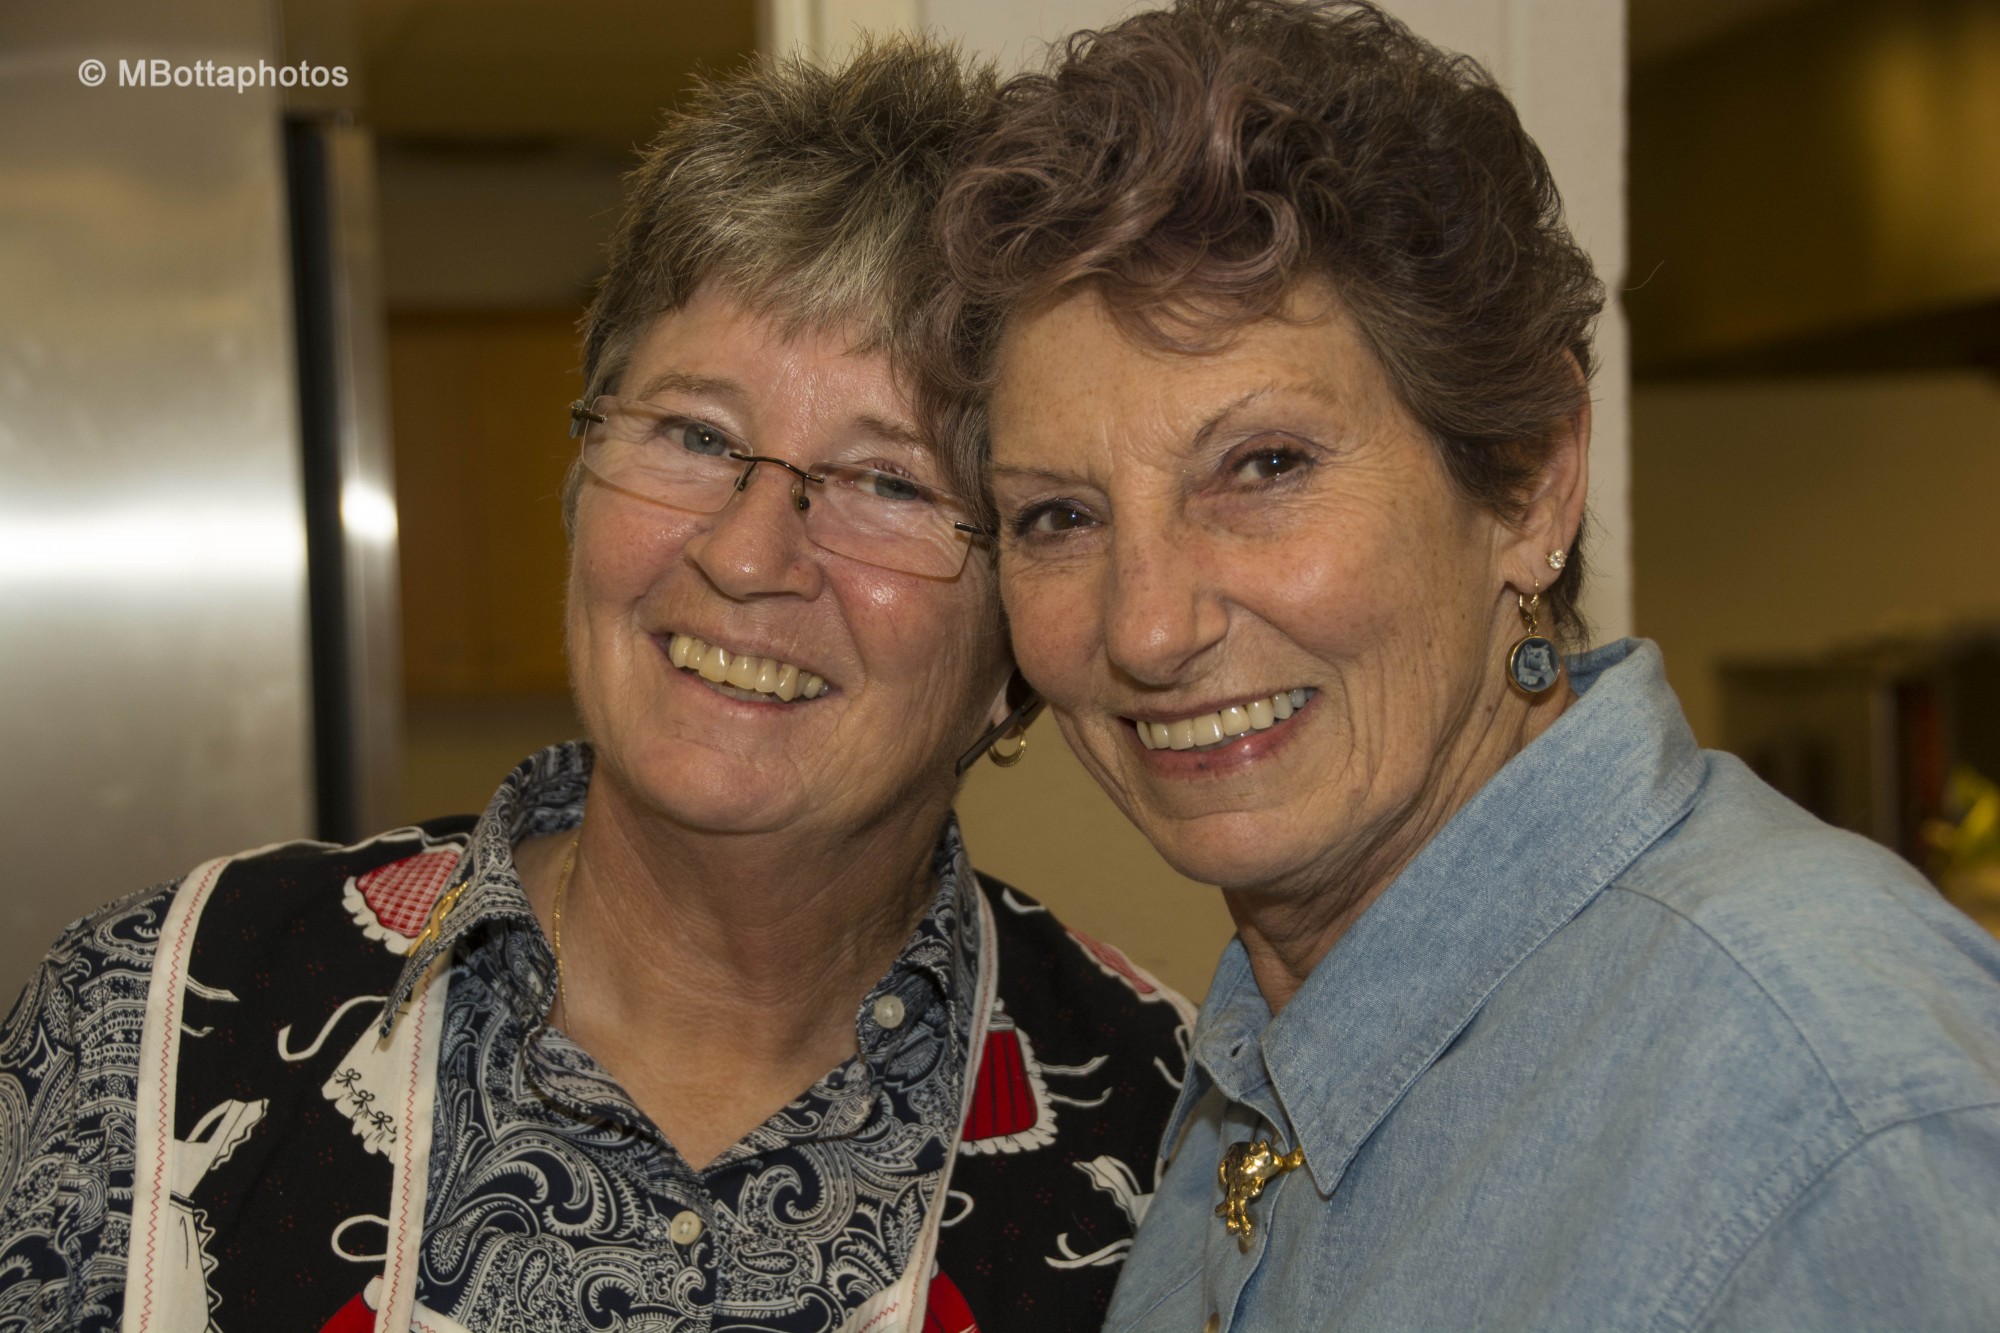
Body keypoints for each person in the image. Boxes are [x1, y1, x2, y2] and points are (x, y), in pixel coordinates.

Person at [0, 40, 1192, 1333]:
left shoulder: (1169, 1140)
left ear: (1023, 631)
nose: (745, 555)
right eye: (695, 433)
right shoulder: (159, 1020)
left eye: (887, 481)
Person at [930, 1, 2000, 1328]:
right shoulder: (1268, 1061)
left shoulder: (1824, 1095)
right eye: (1058, 516)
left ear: (1531, 480)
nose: (1147, 629)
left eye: (1265, 466)